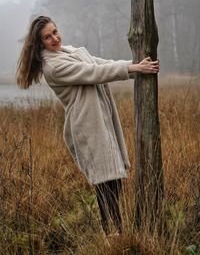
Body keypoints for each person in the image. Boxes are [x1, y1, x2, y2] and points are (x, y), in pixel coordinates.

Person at [16, 16, 160, 236]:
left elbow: (97, 62)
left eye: (55, 31)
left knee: (114, 178)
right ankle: (113, 234)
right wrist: (132, 68)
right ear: (39, 44)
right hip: (87, 124)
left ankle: (116, 231)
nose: (55, 38)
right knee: (104, 182)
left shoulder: (68, 51)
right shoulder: (53, 66)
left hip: (100, 118)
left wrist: (134, 68)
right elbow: (94, 72)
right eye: (48, 37)